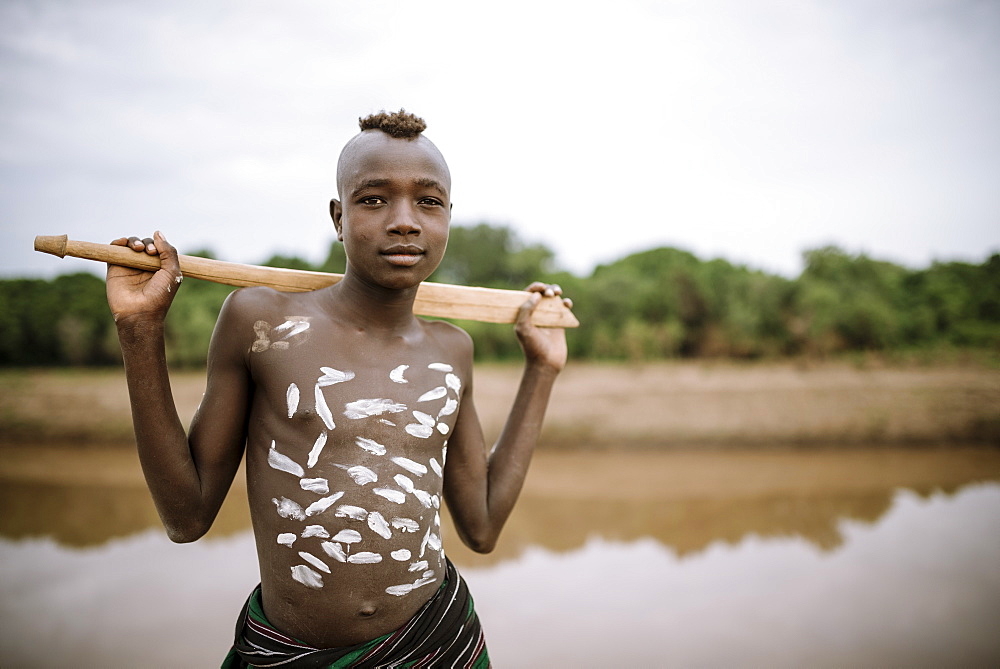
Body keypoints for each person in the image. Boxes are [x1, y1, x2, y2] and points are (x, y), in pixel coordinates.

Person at [105, 109, 570, 667]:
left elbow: (483, 525)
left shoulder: (452, 350)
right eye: (374, 199)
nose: (405, 221)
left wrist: (542, 370)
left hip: (436, 646)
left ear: (449, 216)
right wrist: (140, 330)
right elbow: (186, 517)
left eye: (429, 201)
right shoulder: (264, 323)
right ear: (338, 217)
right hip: (290, 653)